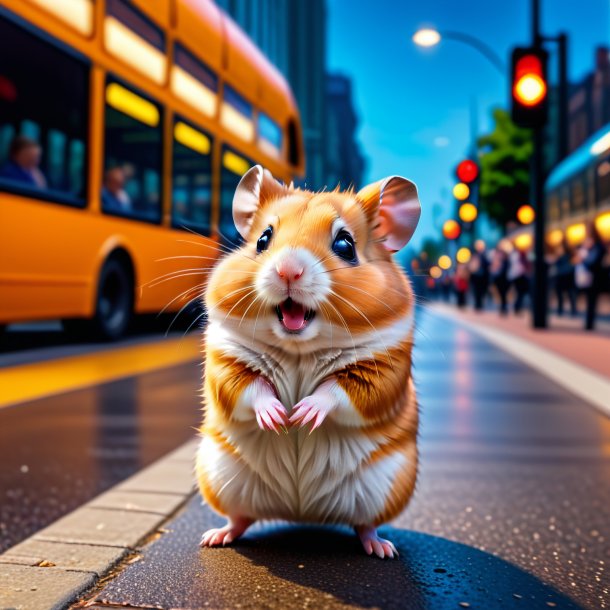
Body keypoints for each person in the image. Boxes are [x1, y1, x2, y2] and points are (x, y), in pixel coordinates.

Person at [577, 222, 607, 331]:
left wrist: (584, 258)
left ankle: (589, 323)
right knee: (590, 300)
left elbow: (593, 262)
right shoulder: (594, 246)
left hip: (594, 277)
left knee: (592, 300)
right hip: (590, 276)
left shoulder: (597, 246)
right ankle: (589, 323)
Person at [553, 240, 577, 317]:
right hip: (562, 277)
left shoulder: (568, 256)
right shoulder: (560, 257)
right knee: (562, 295)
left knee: (569, 294)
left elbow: (570, 266)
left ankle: (571, 311)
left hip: (566, 277)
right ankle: (561, 310)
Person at [508, 248, 532, 314]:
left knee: (520, 294)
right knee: (520, 294)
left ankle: (517, 308)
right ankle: (517, 308)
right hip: (520, 277)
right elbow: (522, 268)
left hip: (517, 277)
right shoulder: (518, 257)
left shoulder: (515, 256)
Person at [469, 240, 490, 311]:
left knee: (482, 291)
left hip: (483, 276)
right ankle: (477, 305)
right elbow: (471, 266)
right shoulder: (473, 255)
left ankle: (480, 304)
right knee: (476, 291)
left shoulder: (486, 254)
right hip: (475, 276)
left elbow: (488, 264)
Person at [490, 247, 510, 315]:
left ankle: (504, 307)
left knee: (503, 295)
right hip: (499, 280)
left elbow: (506, 271)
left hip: (505, 280)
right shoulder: (498, 261)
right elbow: (493, 270)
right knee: (501, 295)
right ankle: (502, 307)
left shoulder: (506, 262)